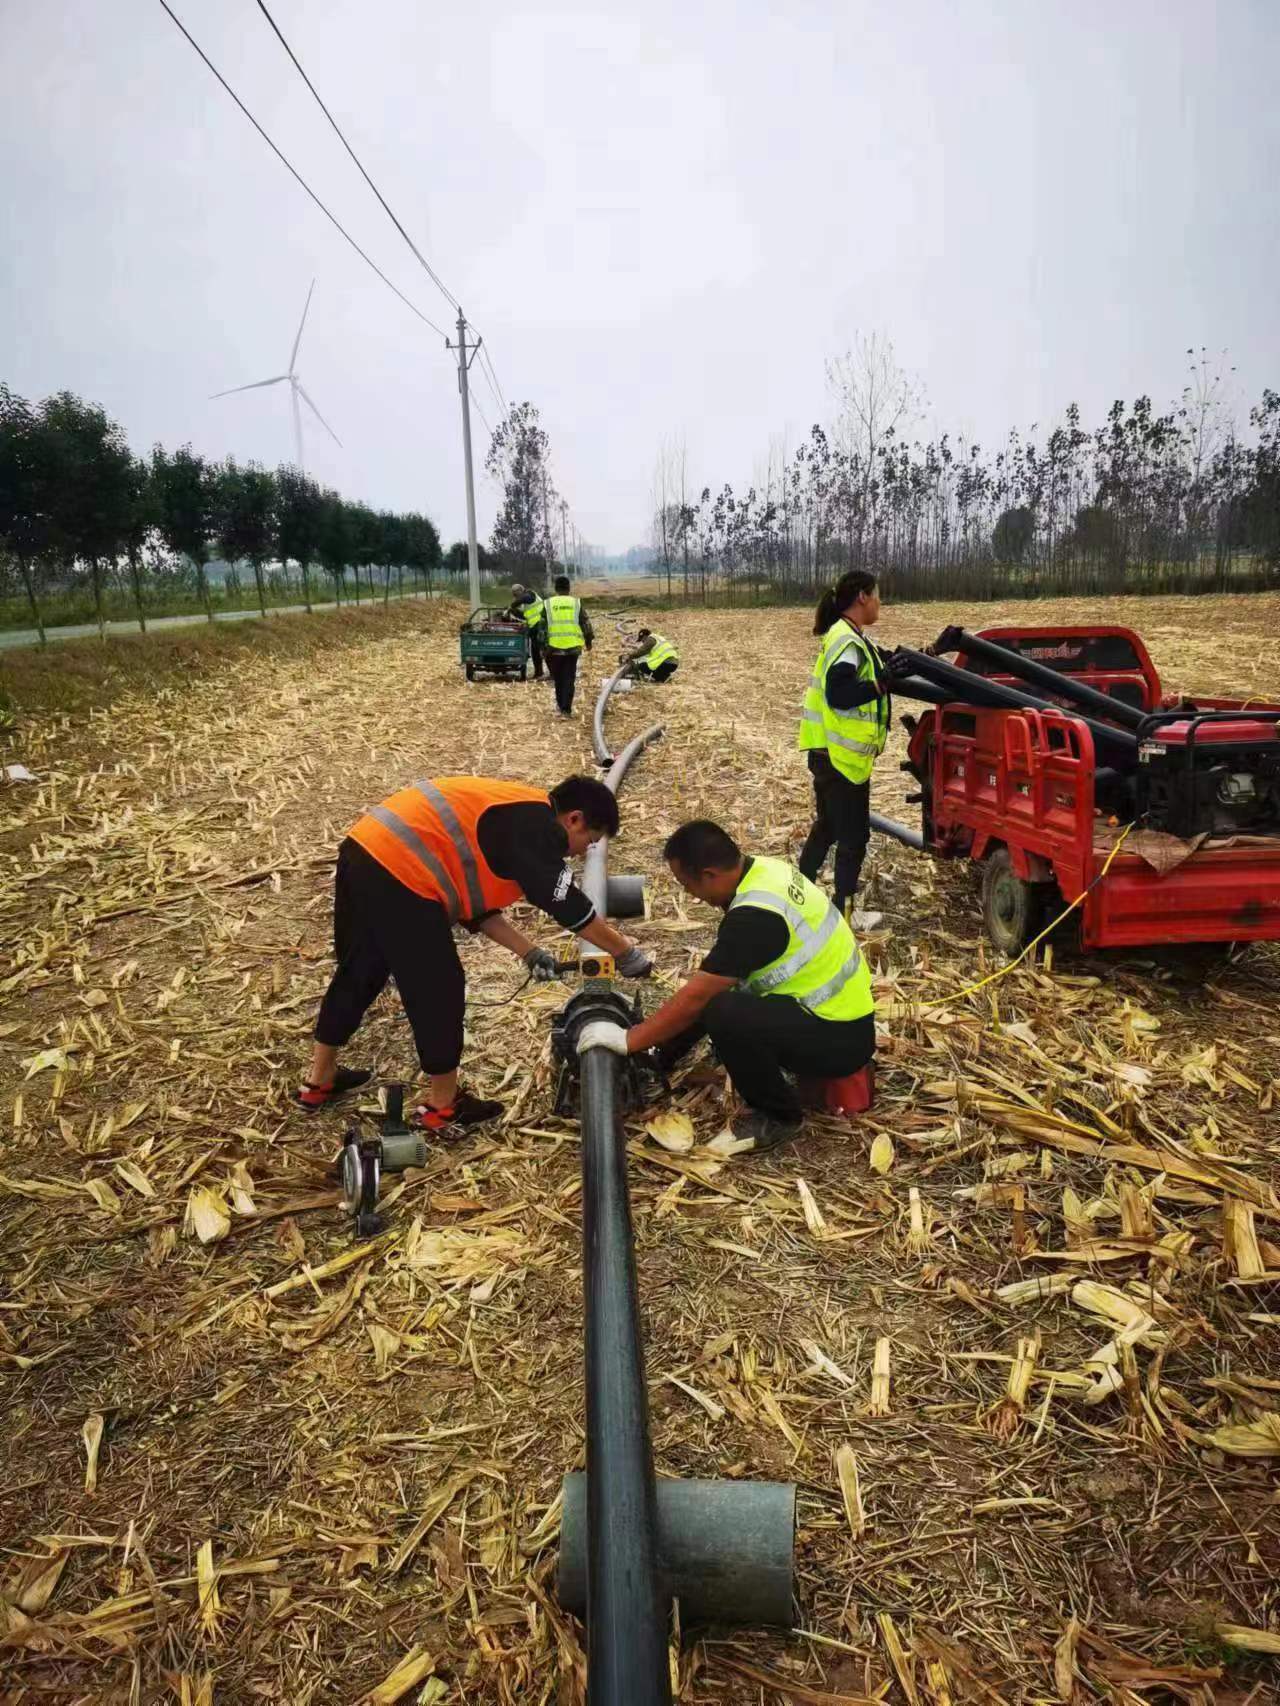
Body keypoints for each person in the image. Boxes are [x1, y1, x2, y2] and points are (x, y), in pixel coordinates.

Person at [299, 774, 653, 1130]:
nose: (580, 853)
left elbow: (476, 909)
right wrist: (625, 953)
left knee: (361, 969)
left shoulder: (509, 820)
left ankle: (319, 1079)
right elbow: (571, 908)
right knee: (438, 986)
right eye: (587, 841)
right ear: (573, 818)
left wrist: (529, 952)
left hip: (365, 851)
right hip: (403, 871)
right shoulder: (537, 827)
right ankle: (443, 1107)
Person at [576, 820, 874, 1153]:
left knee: (723, 1010)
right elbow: (707, 986)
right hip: (838, 1016)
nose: (690, 895)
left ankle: (779, 1116)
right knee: (720, 996)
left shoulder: (755, 917)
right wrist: (657, 1050)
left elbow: (700, 997)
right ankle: (658, 1060)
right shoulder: (765, 871)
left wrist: (629, 1040)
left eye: (687, 884)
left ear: (709, 874)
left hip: (840, 1040)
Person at [797, 569, 892, 916]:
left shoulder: (849, 636)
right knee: (853, 838)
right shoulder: (848, 642)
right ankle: (844, 910)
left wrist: (932, 652)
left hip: (826, 752)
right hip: (840, 758)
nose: (881, 602)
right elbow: (840, 693)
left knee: (829, 826)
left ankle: (800, 890)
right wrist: (878, 686)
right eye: (878, 594)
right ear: (863, 597)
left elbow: (885, 663)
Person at [539, 574, 593, 716]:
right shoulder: (576, 603)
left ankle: (560, 705)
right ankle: (566, 708)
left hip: (553, 649)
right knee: (569, 678)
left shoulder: (548, 604)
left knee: (558, 679)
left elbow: (541, 627)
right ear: (569, 588)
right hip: (572, 649)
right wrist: (588, 641)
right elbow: (586, 624)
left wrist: (542, 648)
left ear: (556, 588)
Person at [506, 582, 546, 681]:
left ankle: (547, 673)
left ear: (520, 590)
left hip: (540, 625)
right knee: (535, 651)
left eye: (516, 594)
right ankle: (539, 672)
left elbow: (525, 598)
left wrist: (513, 605)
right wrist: (513, 612)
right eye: (514, 595)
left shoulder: (530, 594)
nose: (515, 597)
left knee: (541, 650)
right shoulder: (525, 603)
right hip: (534, 626)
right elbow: (525, 616)